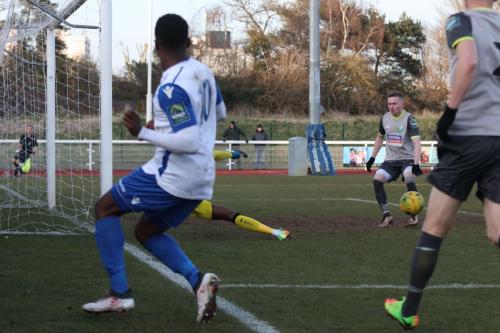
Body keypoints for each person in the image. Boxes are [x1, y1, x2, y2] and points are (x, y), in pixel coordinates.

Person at [82, 14, 222, 323]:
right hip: (201, 179)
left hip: (172, 174)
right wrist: (164, 123)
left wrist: (142, 133)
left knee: (105, 208)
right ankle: (198, 281)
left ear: (156, 47)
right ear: (188, 42)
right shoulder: (205, 73)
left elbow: (188, 140)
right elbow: (216, 114)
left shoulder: (170, 86)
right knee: (146, 230)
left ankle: (119, 294)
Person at [384, 0, 500, 329]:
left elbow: (469, 62)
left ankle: (409, 310)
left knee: (433, 228)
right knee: (498, 231)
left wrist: (448, 115)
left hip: (468, 136)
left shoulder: (460, 21)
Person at [194, 150, 291, 240]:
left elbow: (215, 154)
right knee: (230, 214)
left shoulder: (192, 154)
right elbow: (215, 154)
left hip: (190, 200)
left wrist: (234, 154)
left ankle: (277, 233)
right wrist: (234, 154)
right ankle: (277, 233)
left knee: (231, 214)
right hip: (188, 199)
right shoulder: (198, 154)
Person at [365, 90, 423, 227]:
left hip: (407, 159)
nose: (391, 106)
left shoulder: (410, 119)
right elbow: (379, 138)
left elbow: (417, 142)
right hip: (390, 161)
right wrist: (372, 158)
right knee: (377, 180)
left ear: (402, 104)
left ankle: (414, 216)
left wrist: (416, 163)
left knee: (409, 175)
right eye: (389, 104)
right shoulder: (385, 118)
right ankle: (386, 216)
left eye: (394, 104)